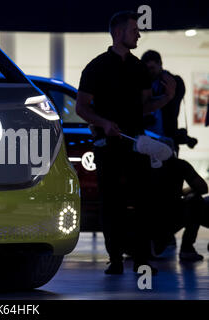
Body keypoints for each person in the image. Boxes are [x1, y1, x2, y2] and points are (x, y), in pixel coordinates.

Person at [76, 11, 176, 275]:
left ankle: (142, 259)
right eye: (134, 30)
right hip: (107, 146)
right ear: (118, 33)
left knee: (143, 201)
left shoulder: (139, 68)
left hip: (135, 144)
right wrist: (104, 123)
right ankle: (116, 258)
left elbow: (143, 108)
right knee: (112, 203)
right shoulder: (96, 67)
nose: (139, 35)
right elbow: (81, 108)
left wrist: (166, 98)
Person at [151, 157, 208, 261]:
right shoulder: (178, 164)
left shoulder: (138, 162)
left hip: (136, 228)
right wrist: (180, 192)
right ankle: (187, 249)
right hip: (167, 219)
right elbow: (202, 188)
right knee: (196, 201)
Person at [141, 50, 186, 154]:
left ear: (160, 64)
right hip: (147, 139)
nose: (149, 72)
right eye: (146, 69)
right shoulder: (143, 84)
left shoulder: (174, 81)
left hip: (166, 137)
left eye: (152, 68)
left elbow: (173, 101)